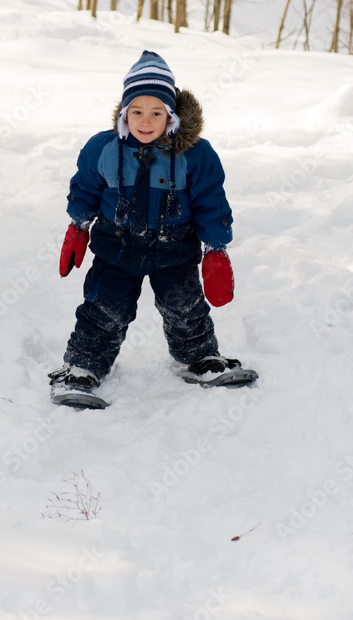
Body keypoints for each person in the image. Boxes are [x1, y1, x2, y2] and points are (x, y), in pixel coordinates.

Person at [49, 50, 257, 400]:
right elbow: (84, 187)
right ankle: (83, 365)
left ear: (171, 116)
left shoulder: (196, 154)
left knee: (186, 308)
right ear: (124, 112)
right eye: (137, 112)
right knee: (103, 309)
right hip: (116, 247)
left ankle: (200, 358)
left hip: (174, 249)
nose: (145, 121)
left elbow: (211, 201)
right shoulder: (103, 148)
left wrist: (216, 248)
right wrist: (77, 227)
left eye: (156, 113)